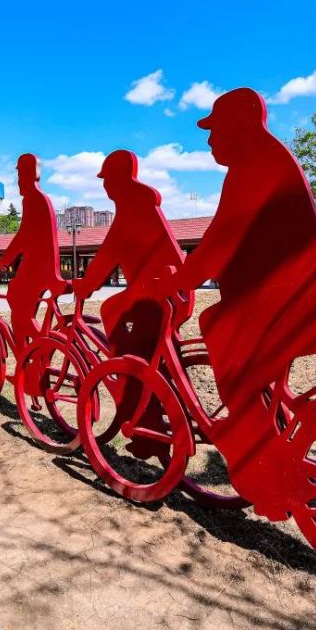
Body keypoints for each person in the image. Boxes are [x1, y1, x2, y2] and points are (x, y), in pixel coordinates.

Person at [160, 88, 316, 519]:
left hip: (287, 300)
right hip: (288, 297)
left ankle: (269, 481)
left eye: (215, 130)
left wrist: (178, 280)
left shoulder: (255, 164)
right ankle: (267, 449)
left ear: (241, 126)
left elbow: (221, 240)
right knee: (226, 338)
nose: (209, 141)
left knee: (224, 343)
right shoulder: (263, 159)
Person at [73, 150, 194, 458]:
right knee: (132, 335)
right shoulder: (140, 203)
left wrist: (85, 286)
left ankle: (146, 423)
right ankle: (144, 393)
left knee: (113, 319)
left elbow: (108, 254)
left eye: (107, 180)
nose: (105, 187)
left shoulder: (132, 206)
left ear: (120, 179)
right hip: (169, 292)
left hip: (158, 294)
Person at [0, 153, 67, 349]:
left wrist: (3, 262)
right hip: (42, 265)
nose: (18, 182)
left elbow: (23, 237)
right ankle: (33, 346)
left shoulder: (34, 199)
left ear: (31, 175)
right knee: (18, 299)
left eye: (21, 175)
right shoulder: (38, 199)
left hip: (39, 266)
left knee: (15, 295)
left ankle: (29, 352)